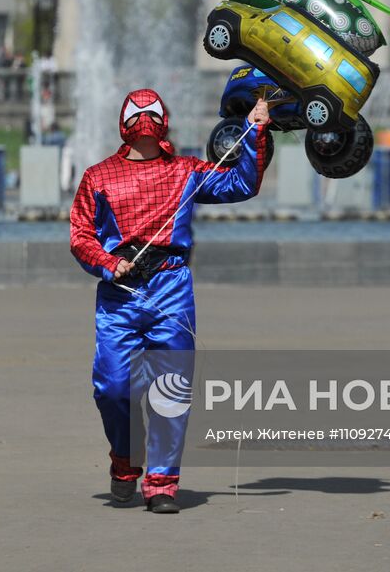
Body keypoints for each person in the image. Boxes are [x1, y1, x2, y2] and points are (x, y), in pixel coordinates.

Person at [70, 88, 271, 513]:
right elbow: (81, 236)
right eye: (137, 115)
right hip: (119, 295)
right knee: (112, 388)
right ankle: (125, 463)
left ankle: (161, 482)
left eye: (151, 115)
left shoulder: (185, 171)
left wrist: (255, 128)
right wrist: (107, 263)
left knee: (171, 389)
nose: (144, 121)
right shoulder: (98, 176)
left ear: (163, 123)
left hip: (171, 287)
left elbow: (241, 183)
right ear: (124, 125)